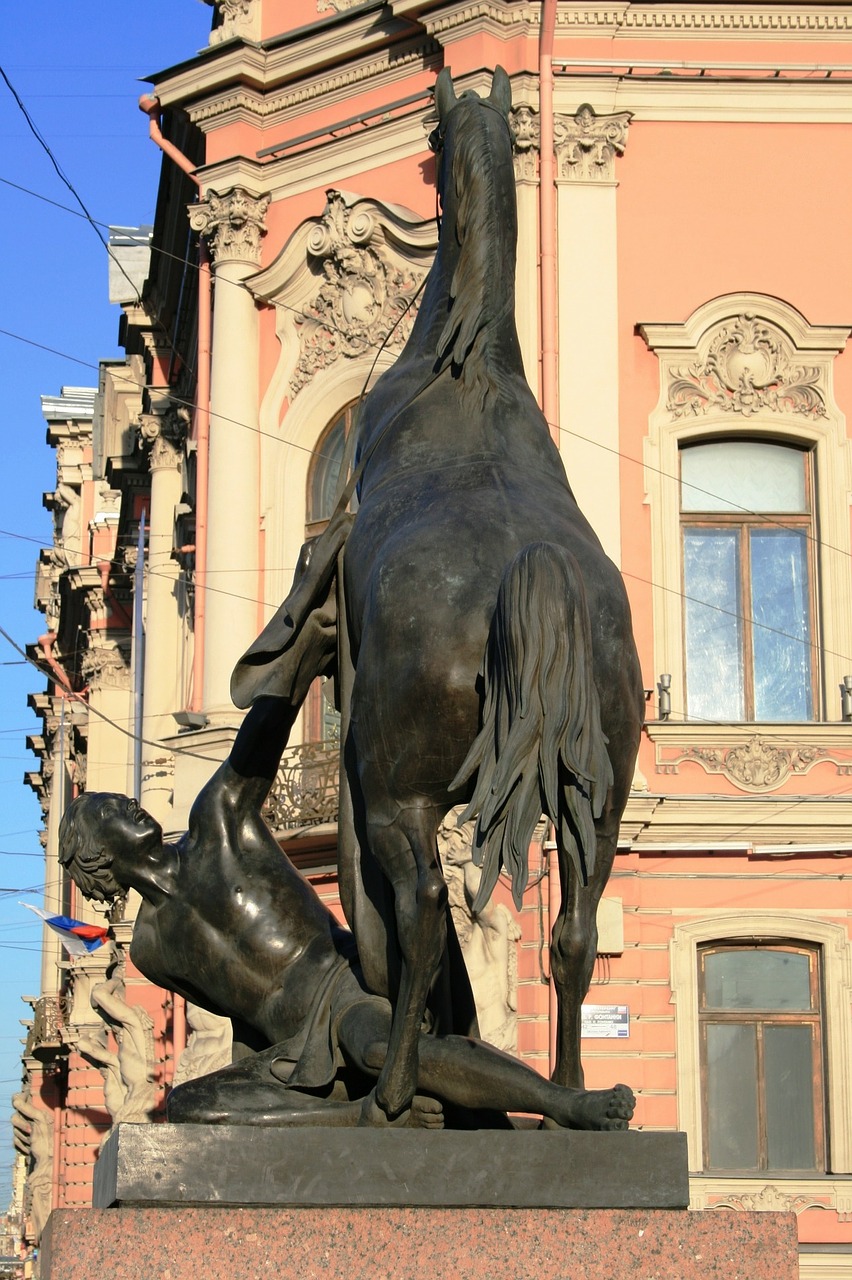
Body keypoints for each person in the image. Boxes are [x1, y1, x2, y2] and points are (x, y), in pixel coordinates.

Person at [58, 696, 634, 1130]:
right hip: (290, 1052)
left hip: (343, 990)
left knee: (379, 1048)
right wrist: (255, 1079)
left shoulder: (218, 823)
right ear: (96, 853)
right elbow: (237, 1013)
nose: (127, 802)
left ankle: (567, 1103)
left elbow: (266, 729)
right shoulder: (149, 948)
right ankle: (365, 1113)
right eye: (109, 809)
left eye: (119, 798)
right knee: (187, 1105)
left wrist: (301, 634)